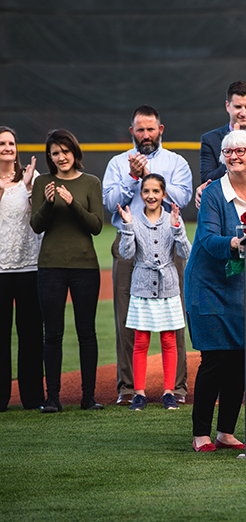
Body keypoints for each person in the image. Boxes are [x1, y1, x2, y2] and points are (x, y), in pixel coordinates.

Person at [102, 105, 193, 405]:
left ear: (161, 129)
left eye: (150, 129)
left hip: (167, 243)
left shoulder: (175, 162)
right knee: (126, 317)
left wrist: (151, 179)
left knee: (174, 318)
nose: (145, 135)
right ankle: (128, 388)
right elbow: (110, 202)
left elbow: (184, 197)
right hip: (129, 240)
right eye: (140, 129)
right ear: (132, 132)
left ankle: (177, 388)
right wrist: (131, 176)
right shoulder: (117, 163)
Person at [185, 130, 246, 452]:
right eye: (229, 152)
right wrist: (235, 243)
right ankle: (201, 432)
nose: (234, 156)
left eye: (241, 151)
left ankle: (226, 432)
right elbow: (206, 238)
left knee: (241, 360)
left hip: (240, 287)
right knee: (215, 359)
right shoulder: (214, 194)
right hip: (208, 286)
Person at [31, 129, 104, 412]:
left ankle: (89, 397)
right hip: (50, 266)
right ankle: (52, 399)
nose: (61, 157)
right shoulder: (43, 184)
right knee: (53, 333)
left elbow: (96, 226)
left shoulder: (90, 183)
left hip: (85, 266)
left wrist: (72, 203)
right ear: (50, 157)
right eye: (55, 153)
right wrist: (49, 203)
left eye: (65, 151)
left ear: (75, 152)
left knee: (86, 332)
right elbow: (37, 225)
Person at [117, 174, 192, 411]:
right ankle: (139, 393)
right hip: (142, 286)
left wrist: (178, 228)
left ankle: (168, 392)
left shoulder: (173, 219)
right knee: (141, 341)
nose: (151, 196)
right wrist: (128, 227)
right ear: (141, 195)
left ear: (163, 194)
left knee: (169, 340)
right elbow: (126, 254)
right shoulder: (134, 220)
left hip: (168, 285)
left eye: (156, 191)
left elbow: (186, 252)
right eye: (146, 191)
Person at [0, 127, 44, 412]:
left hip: (29, 267)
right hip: (0, 271)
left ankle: (32, 398)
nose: (7, 147)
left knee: (30, 335)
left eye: (11, 143)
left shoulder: (33, 177)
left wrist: (29, 187)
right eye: (2, 143)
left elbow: (41, 216)